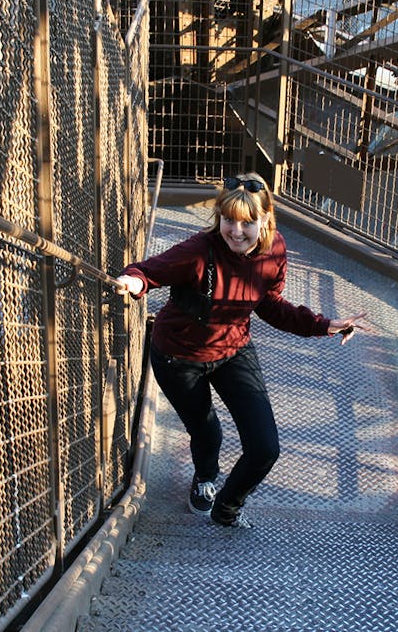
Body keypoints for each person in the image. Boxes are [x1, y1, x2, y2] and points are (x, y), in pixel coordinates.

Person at [114, 173, 371, 528]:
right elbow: (148, 271)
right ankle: (205, 479)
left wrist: (322, 324)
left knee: (265, 447)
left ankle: (227, 508)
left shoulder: (275, 250)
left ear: (265, 219)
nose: (236, 230)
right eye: (228, 219)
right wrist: (134, 280)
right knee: (207, 432)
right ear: (218, 216)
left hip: (234, 350)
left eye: (247, 222)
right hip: (179, 357)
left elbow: (270, 305)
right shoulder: (197, 252)